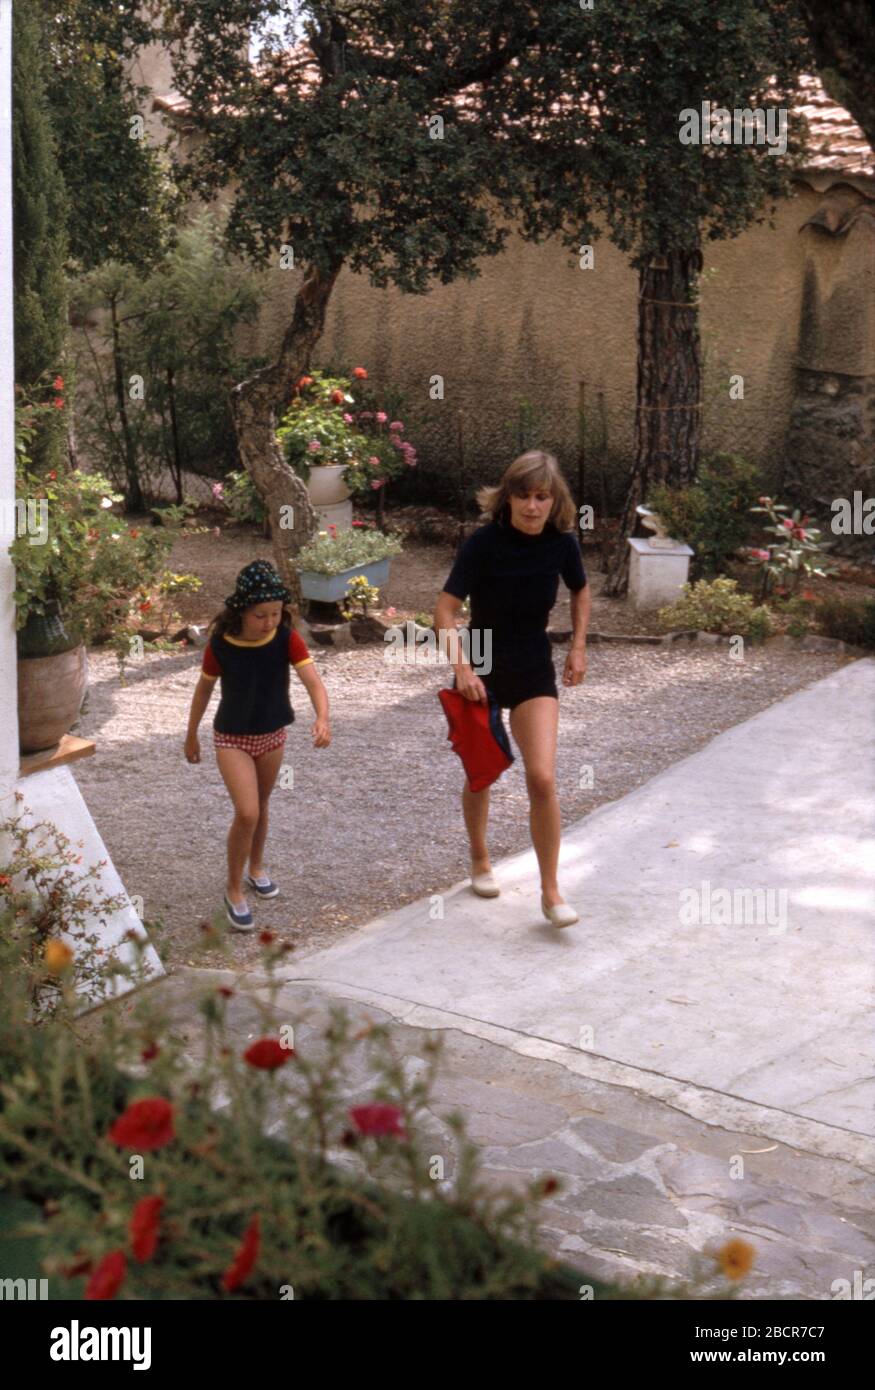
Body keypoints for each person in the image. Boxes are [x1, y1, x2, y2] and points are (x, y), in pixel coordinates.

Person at [433, 450, 591, 928]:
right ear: (508, 498)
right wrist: (462, 668)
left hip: (533, 668)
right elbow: (444, 610)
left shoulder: (562, 543)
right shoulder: (483, 543)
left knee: (542, 778)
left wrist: (578, 645)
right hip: (481, 663)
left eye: (541, 497)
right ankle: (480, 859)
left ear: (553, 500)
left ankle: (550, 890)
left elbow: (580, 589)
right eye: (523, 496)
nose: (532, 506)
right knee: (483, 773)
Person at [184, 559, 330, 930]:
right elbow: (203, 691)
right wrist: (191, 733)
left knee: (262, 805)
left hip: (272, 734)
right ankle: (233, 888)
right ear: (241, 612)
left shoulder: (285, 637)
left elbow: (313, 681)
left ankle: (257, 867)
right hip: (231, 737)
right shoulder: (221, 645)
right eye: (260, 615)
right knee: (247, 811)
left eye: (276, 613)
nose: (269, 621)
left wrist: (322, 717)